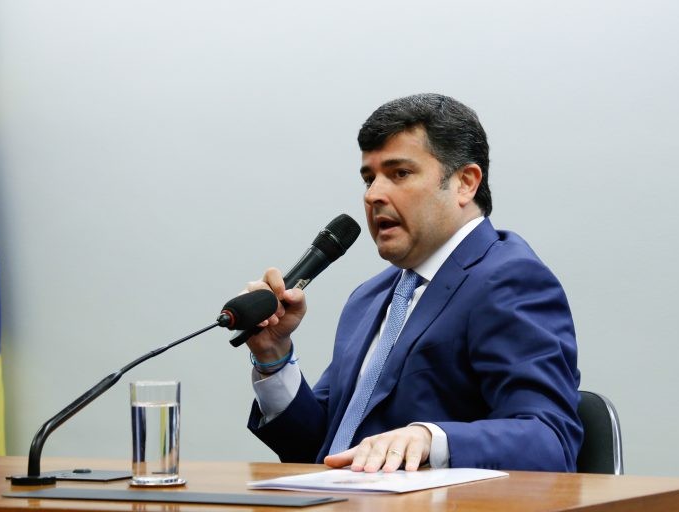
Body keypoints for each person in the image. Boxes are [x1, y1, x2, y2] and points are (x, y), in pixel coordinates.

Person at [243, 93, 582, 473]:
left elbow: (550, 440)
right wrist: (274, 358)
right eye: (369, 178)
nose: (373, 195)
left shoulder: (509, 279)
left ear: (465, 183)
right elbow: (322, 448)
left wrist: (430, 439)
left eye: (399, 173)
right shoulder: (368, 298)